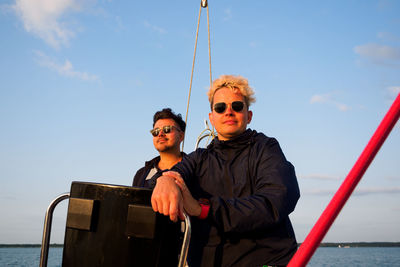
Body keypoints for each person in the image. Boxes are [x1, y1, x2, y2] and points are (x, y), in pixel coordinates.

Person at [151, 75, 300, 267]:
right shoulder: (198, 158)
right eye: (220, 108)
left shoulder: (266, 148)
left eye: (237, 106)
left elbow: (276, 200)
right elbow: (176, 173)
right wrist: (166, 180)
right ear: (212, 118)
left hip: (267, 260)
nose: (228, 112)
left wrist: (203, 209)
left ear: (249, 115)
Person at [133, 108, 186, 189]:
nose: (160, 134)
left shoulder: (196, 169)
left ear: (181, 136)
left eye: (167, 129)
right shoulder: (141, 174)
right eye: (156, 131)